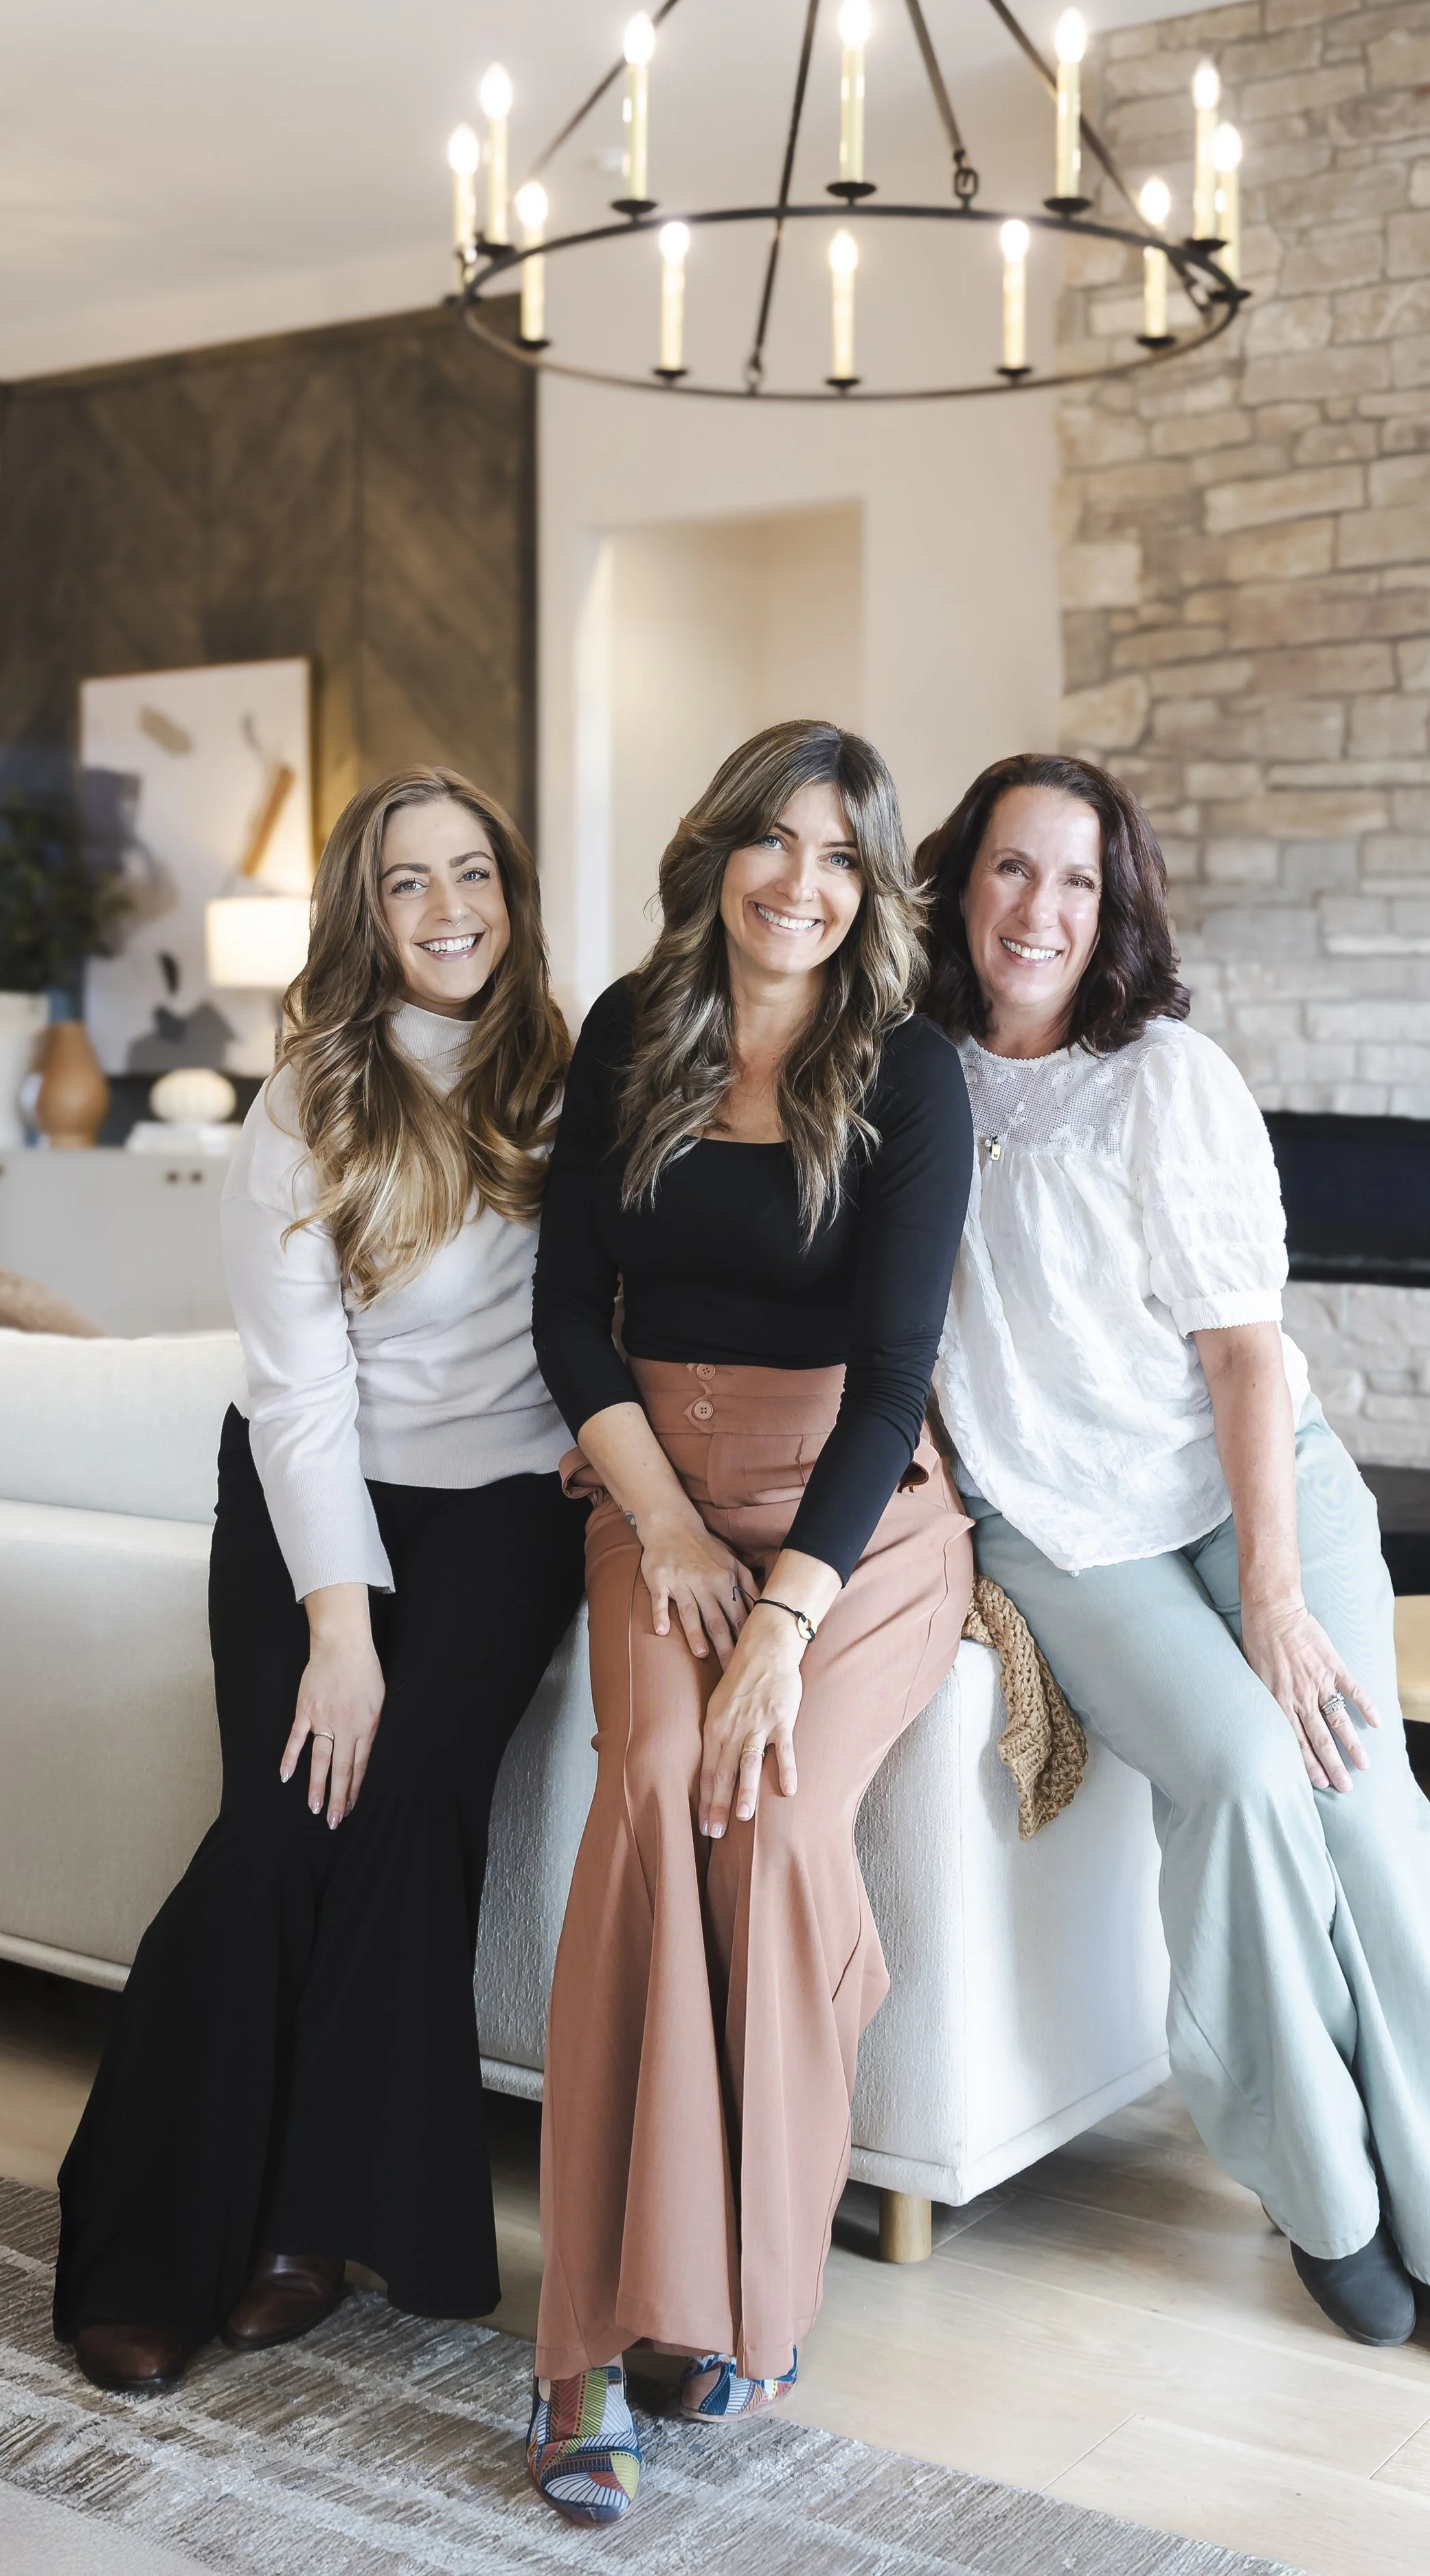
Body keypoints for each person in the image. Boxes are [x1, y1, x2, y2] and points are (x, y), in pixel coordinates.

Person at [918, 751, 1430, 2384]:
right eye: (1008, 869)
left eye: (1073, 878)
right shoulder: (903, 1080)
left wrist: (1271, 1591)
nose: (1038, 908)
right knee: (1246, 1783)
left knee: (1367, 1814)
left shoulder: (1163, 1077)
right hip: (1058, 1526)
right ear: (959, 885)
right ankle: (1319, 2196)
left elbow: (1247, 1361)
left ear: (1111, 901)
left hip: (1253, 1491)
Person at [54, 767, 589, 2393]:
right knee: (284, 1815)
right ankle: (146, 2245)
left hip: (509, 1501)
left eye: (473, 874)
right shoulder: (305, 1100)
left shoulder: (580, 1076)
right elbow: (299, 1395)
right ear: (364, 912)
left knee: (410, 1800)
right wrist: (337, 1630)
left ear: (512, 892)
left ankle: (315, 2224)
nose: (449, 911)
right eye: (409, 882)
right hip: (310, 1499)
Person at [525, 719, 973, 2524]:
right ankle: (578, 2339)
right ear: (716, 852)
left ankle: (733, 2294)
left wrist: (783, 1616)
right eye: (770, 842)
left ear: (868, 889)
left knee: (774, 1815)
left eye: (839, 856)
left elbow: (893, 1379)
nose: (800, 881)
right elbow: (571, 1310)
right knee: (646, 1787)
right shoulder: (632, 1028)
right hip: (654, 1489)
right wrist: (656, 1521)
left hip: (859, 1526)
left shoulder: (911, 1069)